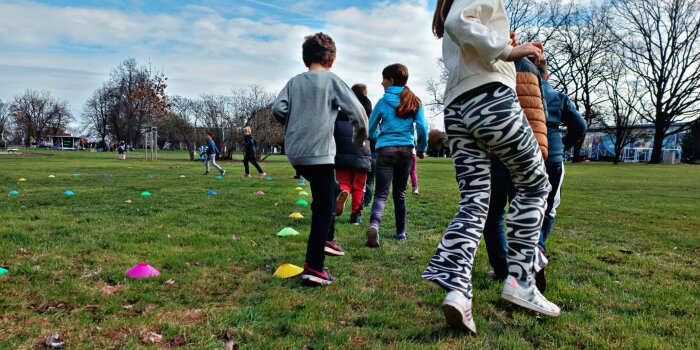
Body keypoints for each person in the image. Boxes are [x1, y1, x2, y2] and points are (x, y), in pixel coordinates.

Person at [422, 0, 559, 334]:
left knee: (475, 201)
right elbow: (459, 21)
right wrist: (510, 51)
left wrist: (502, 43)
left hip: (456, 109)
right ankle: (521, 280)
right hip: (491, 101)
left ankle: (457, 290)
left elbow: (460, 27)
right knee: (534, 184)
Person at [272, 32, 368, 286]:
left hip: (296, 153)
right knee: (324, 207)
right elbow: (358, 113)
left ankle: (326, 237)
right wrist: (360, 140)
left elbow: (278, 109)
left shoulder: (293, 82)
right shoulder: (332, 81)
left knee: (326, 194)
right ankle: (314, 267)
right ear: (332, 60)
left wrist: (294, 122)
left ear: (305, 59)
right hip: (320, 153)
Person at [482, 53, 550, 284]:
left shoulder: (494, 63)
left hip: (499, 148)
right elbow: (544, 112)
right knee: (528, 204)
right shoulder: (532, 69)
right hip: (530, 148)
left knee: (493, 214)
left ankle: (502, 269)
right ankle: (536, 251)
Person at [535, 58, 587, 290]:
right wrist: (564, 145)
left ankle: (531, 249)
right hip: (553, 157)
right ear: (547, 76)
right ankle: (539, 246)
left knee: (523, 206)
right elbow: (580, 126)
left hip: (524, 155)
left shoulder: (516, 92)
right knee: (549, 207)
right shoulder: (558, 97)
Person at [365, 63, 428, 247]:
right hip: (406, 151)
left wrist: (378, 137)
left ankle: (375, 226)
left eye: (383, 78)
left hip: (386, 151)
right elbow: (422, 127)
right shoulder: (415, 101)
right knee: (400, 193)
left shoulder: (383, 102)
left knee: (381, 194)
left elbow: (370, 128)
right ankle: (401, 233)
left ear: (391, 80)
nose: (381, 82)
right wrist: (422, 147)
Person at [334, 84, 373, 225]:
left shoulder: (341, 111)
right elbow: (374, 134)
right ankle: (356, 216)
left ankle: (343, 191)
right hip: (362, 152)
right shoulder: (369, 113)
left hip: (342, 152)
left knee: (343, 182)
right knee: (359, 186)